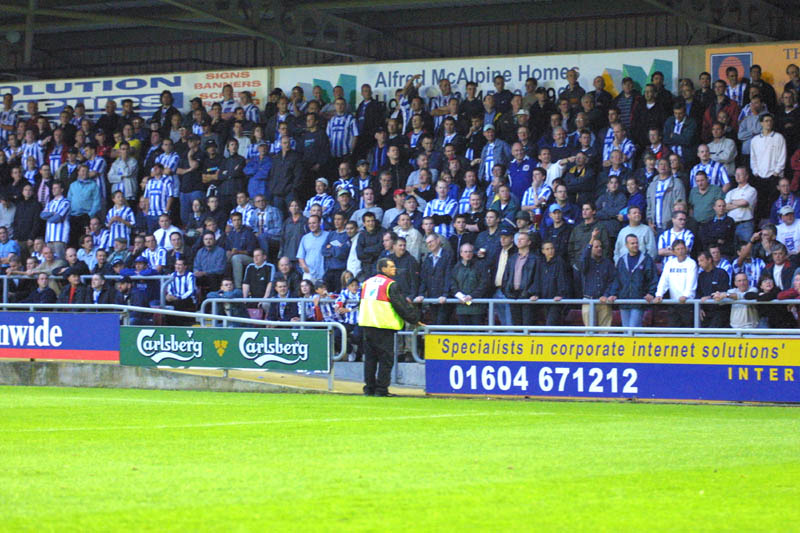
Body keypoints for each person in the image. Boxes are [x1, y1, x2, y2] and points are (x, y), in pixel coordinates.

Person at [358, 257, 421, 397]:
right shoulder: (390, 284)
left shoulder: (366, 283)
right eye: (391, 266)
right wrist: (414, 319)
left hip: (367, 324)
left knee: (370, 360)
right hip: (383, 325)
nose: (394, 268)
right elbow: (401, 306)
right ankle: (381, 389)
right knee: (385, 360)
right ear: (383, 268)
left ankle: (369, 388)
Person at [607, 234, 657, 327]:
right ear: (626, 245)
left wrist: (651, 293)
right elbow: (617, 279)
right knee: (626, 330)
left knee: (634, 328)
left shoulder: (646, 259)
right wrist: (613, 294)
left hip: (638, 300)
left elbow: (652, 278)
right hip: (624, 301)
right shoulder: (622, 260)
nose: (635, 245)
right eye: (632, 243)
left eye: (636, 243)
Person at [654, 239, 697, 327]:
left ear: (686, 249)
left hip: (687, 303)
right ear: (673, 251)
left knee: (688, 331)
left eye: (682, 248)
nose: (680, 251)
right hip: (673, 303)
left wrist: (686, 295)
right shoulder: (669, 264)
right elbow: (664, 280)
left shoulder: (691, 263)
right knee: (673, 330)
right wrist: (659, 294)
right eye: (678, 249)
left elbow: (691, 282)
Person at [529, 240, 571, 325]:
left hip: (555, 300)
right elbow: (537, 279)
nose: (550, 251)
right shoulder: (541, 263)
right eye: (547, 249)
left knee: (551, 324)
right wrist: (536, 293)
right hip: (543, 300)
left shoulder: (560, 262)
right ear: (543, 251)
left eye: (552, 248)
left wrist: (561, 294)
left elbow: (562, 279)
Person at [580, 231, 615, 327]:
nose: (599, 249)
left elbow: (612, 281)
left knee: (605, 333)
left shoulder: (607, 263)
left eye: (600, 246)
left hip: (604, 302)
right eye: (596, 247)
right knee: (589, 333)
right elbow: (583, 259)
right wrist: (592, 239)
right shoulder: (586, 263)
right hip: (588, 300)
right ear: (590, 248)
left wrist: (606, 295)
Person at [449, 243, 489, 325]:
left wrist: (472, 296)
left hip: (477, 308)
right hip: (461, 308)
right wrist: (460, 295)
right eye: (465, 252)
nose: (468, 254)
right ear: (461, 253)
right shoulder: (456, 267)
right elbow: (452, 283)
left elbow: (484, 284)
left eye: (470, 251)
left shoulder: (480, 266)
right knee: (464, 335)